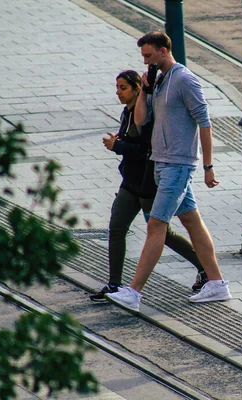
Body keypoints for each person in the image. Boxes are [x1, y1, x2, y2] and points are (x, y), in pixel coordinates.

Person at [107, 31, 231, 311]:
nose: (145, 61)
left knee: (156, 225)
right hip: (162, 164)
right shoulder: (158, 81)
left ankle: (134, 292)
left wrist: (208, 166)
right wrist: (146, 90)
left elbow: (205, 121)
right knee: (191, 222)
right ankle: (217, 284)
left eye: (149, 55)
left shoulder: (185, 79)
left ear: (164, 51)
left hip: (178, 164)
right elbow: (140, 121)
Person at [90, 70, 208, 303]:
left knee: (164, 234)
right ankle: (114, 284)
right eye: (117, 88)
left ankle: (205, 267)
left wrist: (118, 145)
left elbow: (147, 151)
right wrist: (120, 142)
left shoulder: (148, 115)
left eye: (123, 88)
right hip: (130, 183)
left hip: (149, 184)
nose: (118, 93)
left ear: (137, 89)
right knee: (116, 228)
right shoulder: (128, 112)